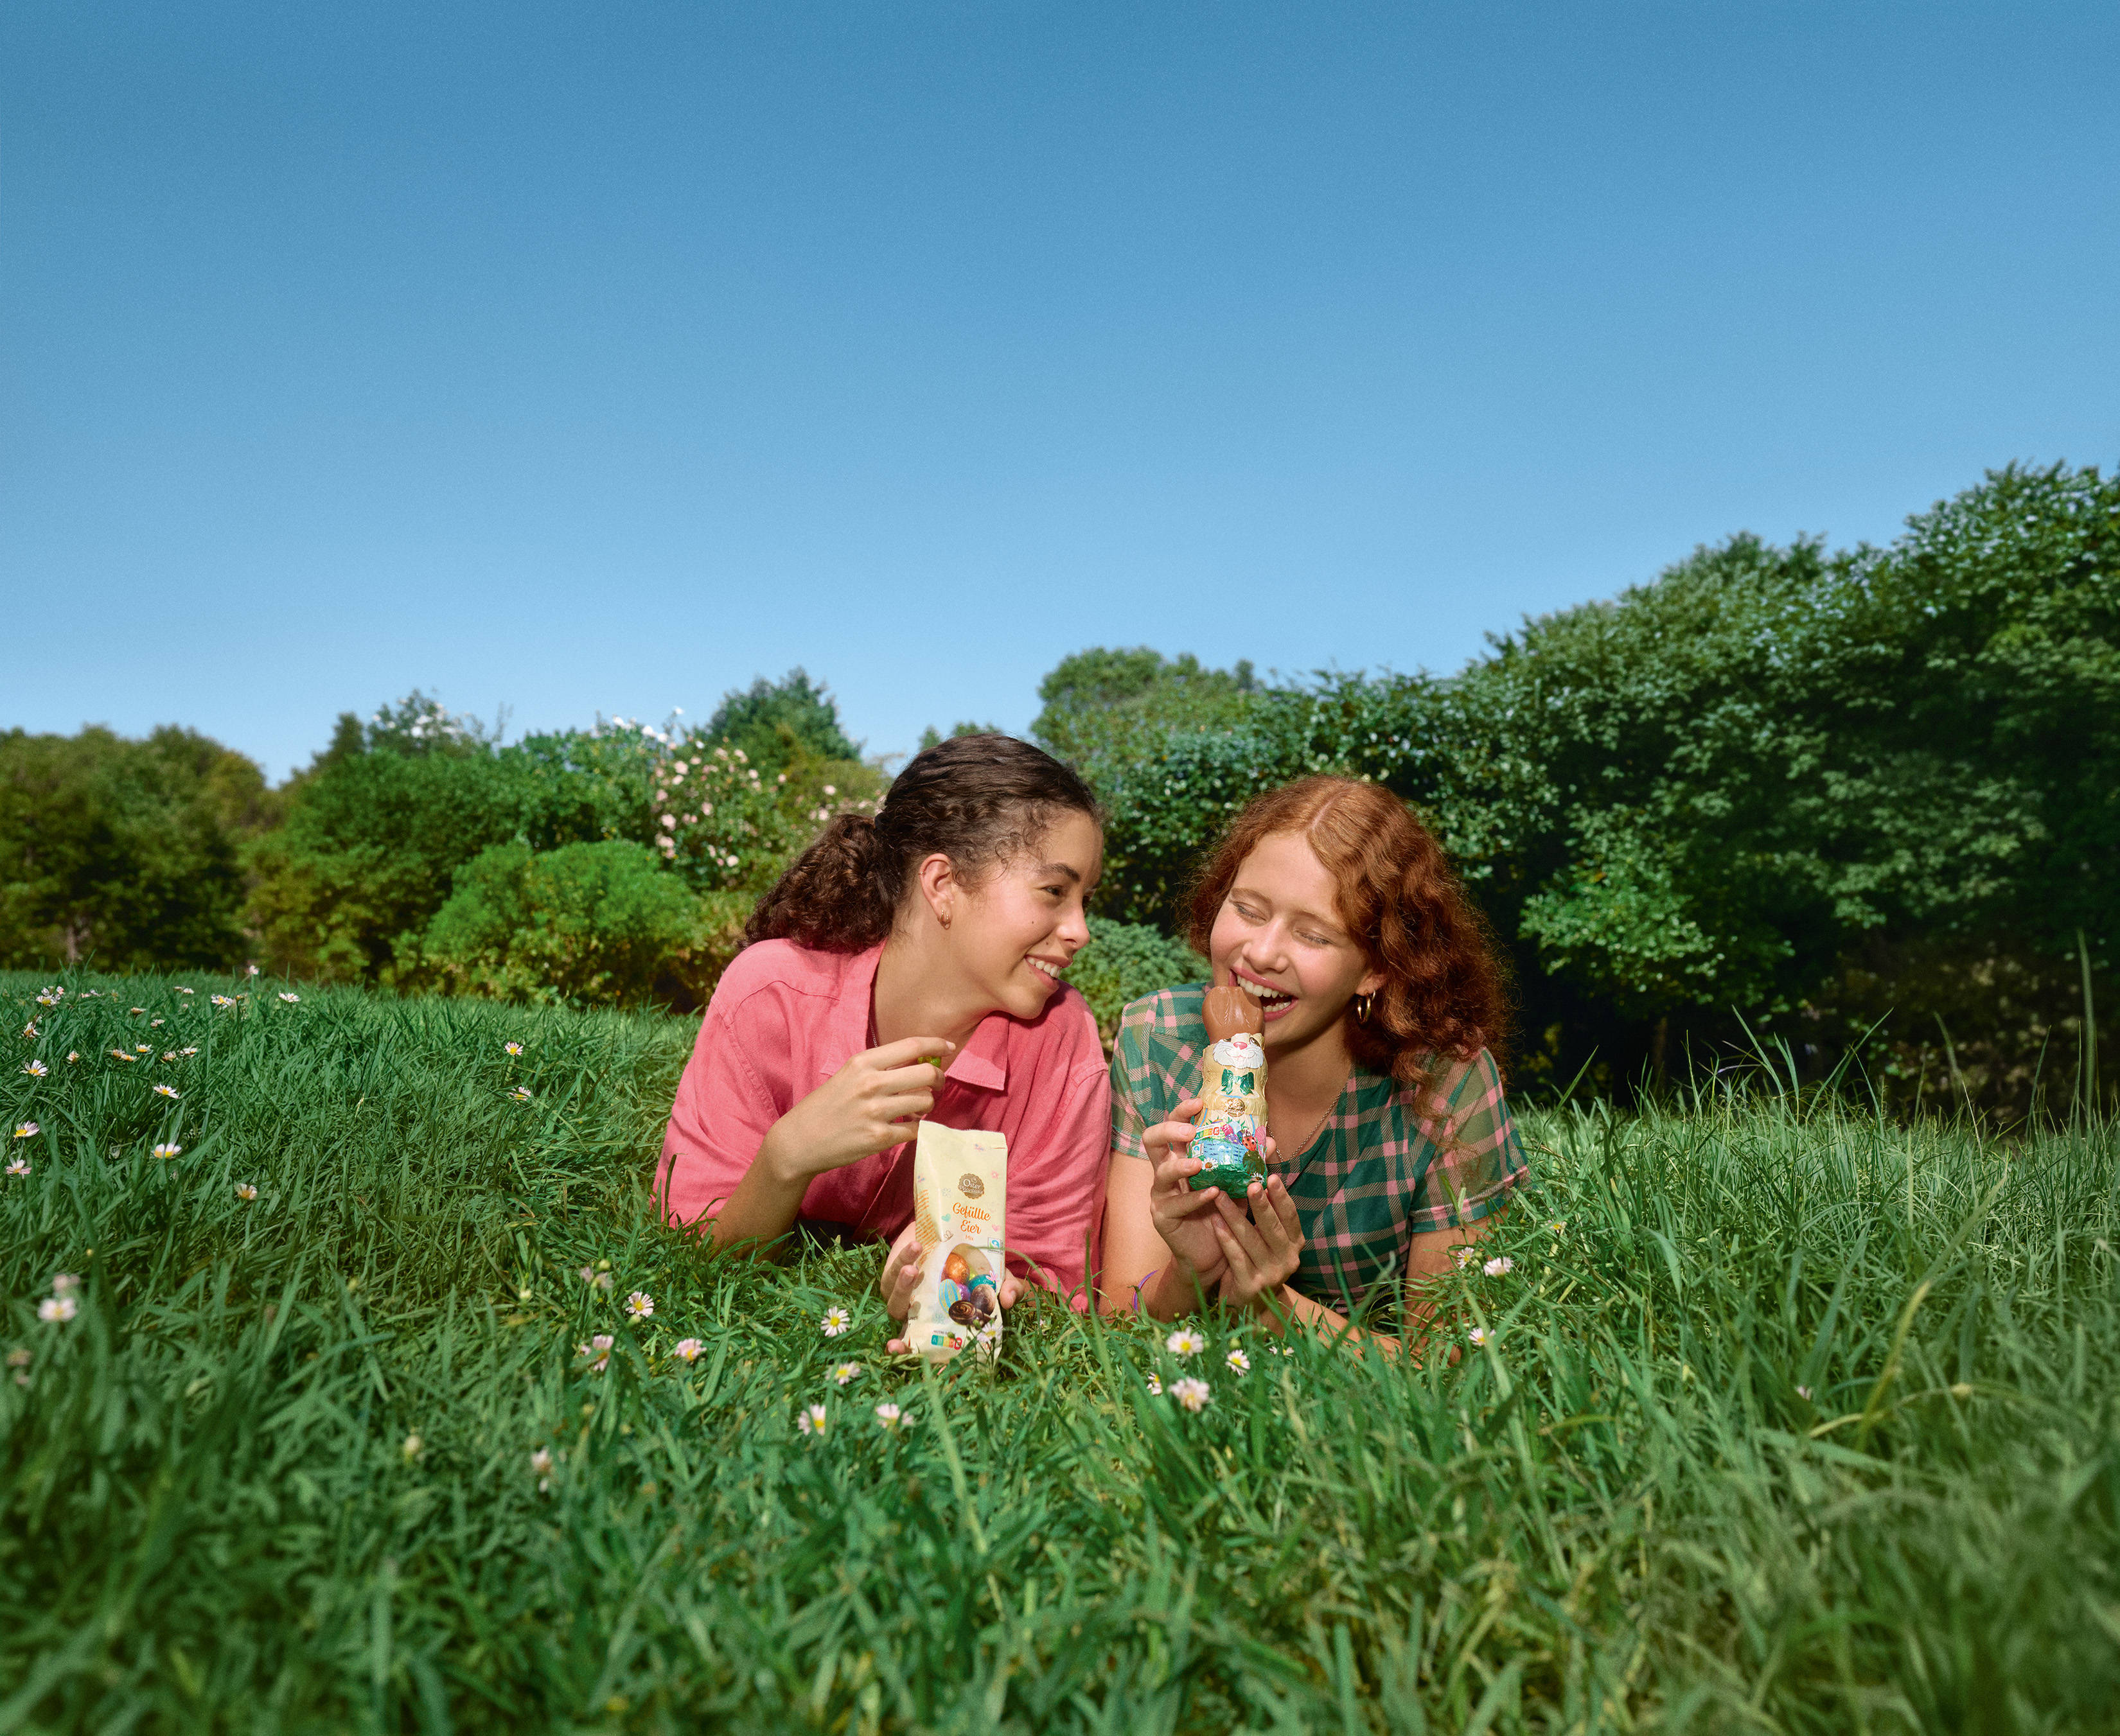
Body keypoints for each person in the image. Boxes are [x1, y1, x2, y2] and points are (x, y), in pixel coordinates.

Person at [657, 733, 1111, 1328]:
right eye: (1055, 891)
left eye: (1085, 899)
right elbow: (687, 1255)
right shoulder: (770, 994)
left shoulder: (1061, 1037)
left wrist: (987, 1292)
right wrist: (786, 1157)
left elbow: (1060, 1282)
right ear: (943, 884)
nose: (1079, 930)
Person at [1099, 776, 1526, 1354]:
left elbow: (1456, 1363)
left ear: (1376, 967)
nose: (1262, 953)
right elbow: (1120, 1318)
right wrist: (1194, 1272)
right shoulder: (1159, 1039)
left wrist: (1269, 1305)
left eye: (1313, 935)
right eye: (1247, 909)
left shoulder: (1446, 1084)